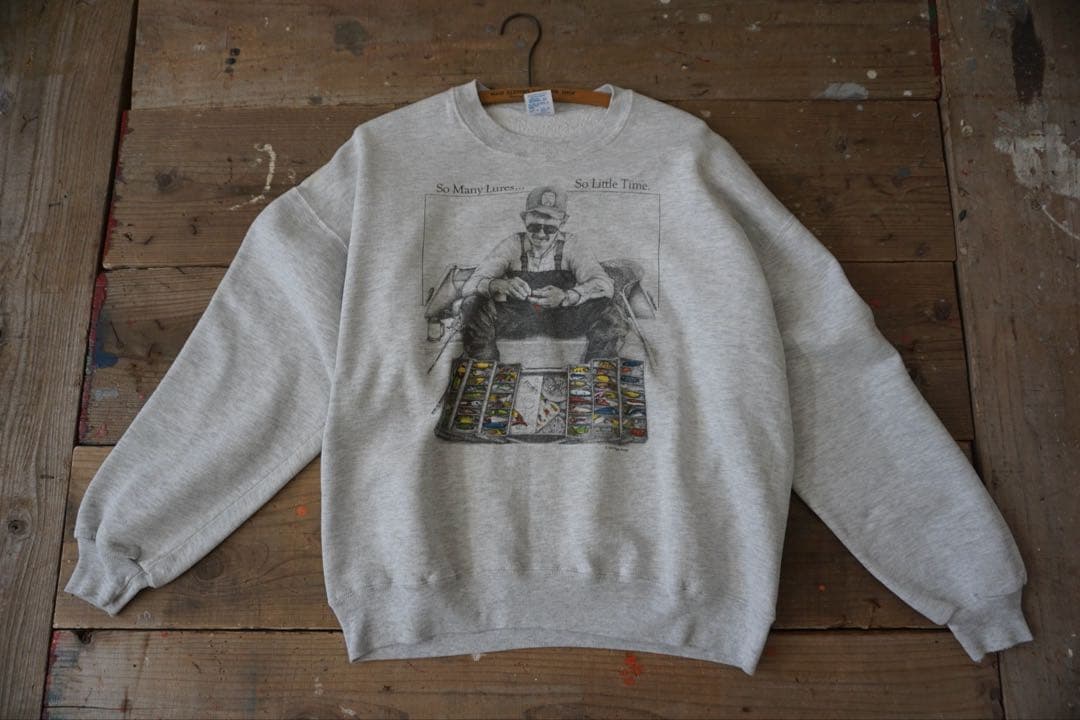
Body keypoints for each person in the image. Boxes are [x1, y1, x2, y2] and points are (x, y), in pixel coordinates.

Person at [458, 185, 629, 362]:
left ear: (562, 222)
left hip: (563, 318)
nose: (540, 234)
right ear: (524, 219)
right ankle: (483, 370)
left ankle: (600, 372)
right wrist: (498, 284)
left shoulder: (573, 245)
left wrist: (567, 296)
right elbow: (469, 286)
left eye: (549, 229)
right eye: (534, 227)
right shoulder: (512, 244)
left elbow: (604, 285)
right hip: (518, 317)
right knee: (472, 304)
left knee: (610, 311)